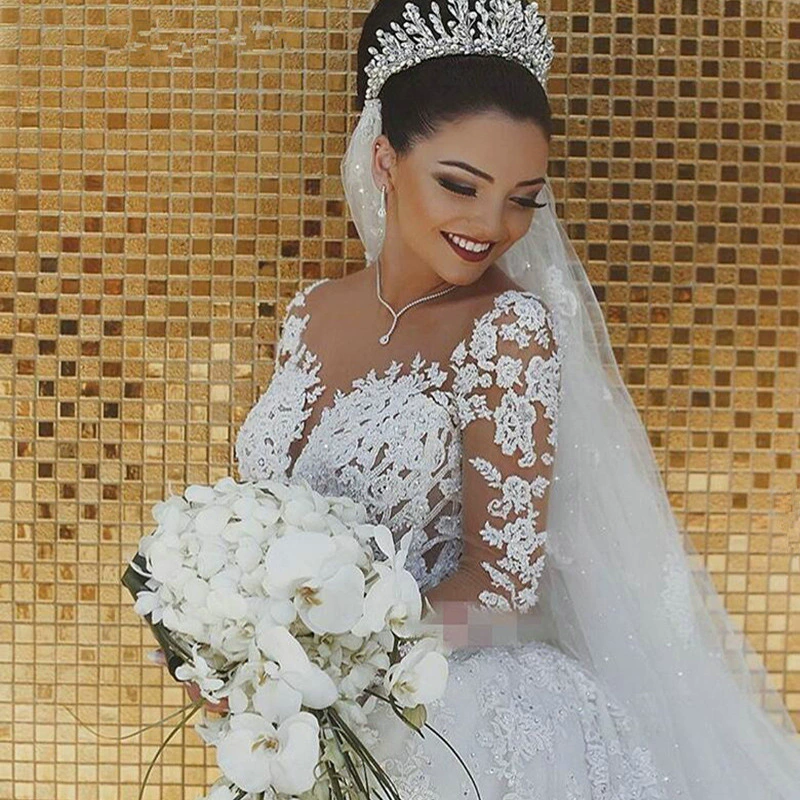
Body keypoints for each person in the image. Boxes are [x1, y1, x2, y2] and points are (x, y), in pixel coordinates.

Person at [183, 0, 800, 796]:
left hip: (449, 725)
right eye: (460, 185)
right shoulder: (310, 313)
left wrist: (327, 664)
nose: (491, 224)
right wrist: (225, 642)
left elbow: (502, 585)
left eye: (522, 197)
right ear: (384, 159)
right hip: (299, 730)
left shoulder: (508, 330)